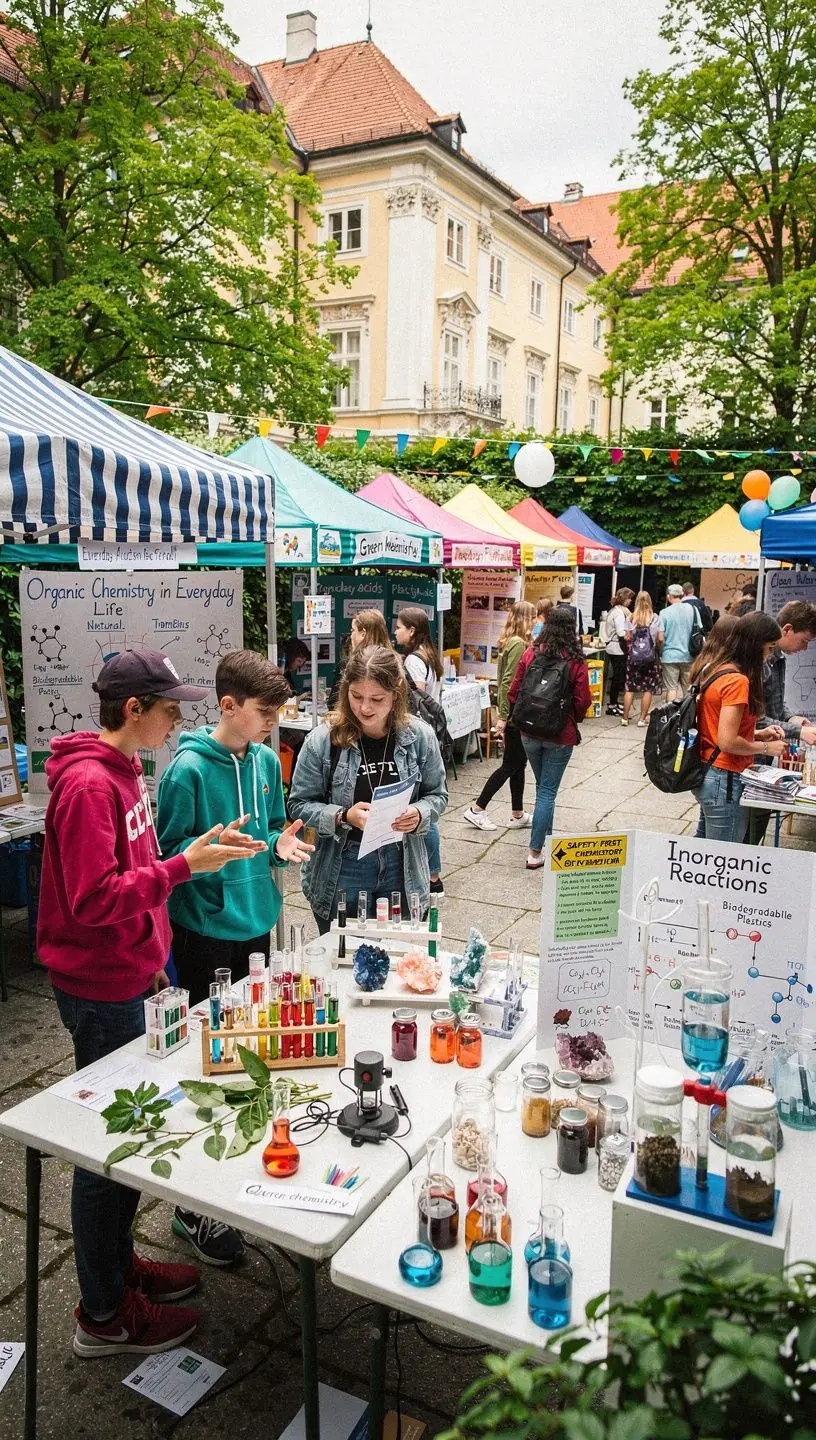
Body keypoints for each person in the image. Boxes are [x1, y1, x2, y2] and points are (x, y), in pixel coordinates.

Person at [40, 648, 255, 1358]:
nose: (177, 718)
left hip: (132, 978)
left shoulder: (125, 774)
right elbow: (94, 899)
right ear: (132, 710)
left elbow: (136, 878)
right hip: (101, 990)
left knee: (134, 1138)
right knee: (108, 1148)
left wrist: (158, 963)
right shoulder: (87, 789)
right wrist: (182, 866)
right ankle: (103, 1314)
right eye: (168, 708)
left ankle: (119, 1267)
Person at [156, 650, 312, 1266]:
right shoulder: (188, 771)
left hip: (258, 924)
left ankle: (232, 1175)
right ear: (228, 706)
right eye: (265, 712)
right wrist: (207, 855)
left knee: (251, 1048)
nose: (274, 721)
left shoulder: (269, 761)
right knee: (207, 1061)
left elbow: (272, 827)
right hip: (203, 932)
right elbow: (169, 857)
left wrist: (282, 843)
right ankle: (191, 1206)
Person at [289, 645, 448, 931]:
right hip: (344, 864)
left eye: (377, 699)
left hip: (402, 863)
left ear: (397, 691)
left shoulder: (419, 736)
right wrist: (342, 816)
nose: (364, 708)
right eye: (356, 696)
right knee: (341, 957)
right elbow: (299, 805)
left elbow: (438, 795)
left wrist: (420, 813)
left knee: (398, 959)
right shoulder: (323, 740)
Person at [507, 606, 592, 870]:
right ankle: (534, 852)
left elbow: (514, 691)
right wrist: (572, 719)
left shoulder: (531, 652)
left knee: (544, 787)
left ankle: (549, 840)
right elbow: (583, 700)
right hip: (559, 734)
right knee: (547, 791)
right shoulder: (576, 660)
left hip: (529, 732)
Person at [691, 611, 785, 843]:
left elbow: (717, 726)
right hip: (725, 777)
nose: (770, 654)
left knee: (703, 850)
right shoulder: (737, 681)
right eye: (770, 647)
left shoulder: (716, 668)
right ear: (755, 645)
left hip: (709, 770)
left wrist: (756, 733)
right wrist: (765, 748)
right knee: (724, 859)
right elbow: (727, 741)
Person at [745, 600, 816, 844]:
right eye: (804, 640)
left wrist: (792, 717)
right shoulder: (761, 660)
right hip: (750, 757)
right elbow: (757, 717)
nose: (805, 648)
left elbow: (773, 705)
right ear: (786, 630)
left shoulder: (779, 659)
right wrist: (798, 731)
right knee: (746, 829)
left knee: (756, 827)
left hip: (764, 757)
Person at [463, 600, 534, 831]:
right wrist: (503, 716)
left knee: (518, 764)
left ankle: (517, 813)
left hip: (513, 713)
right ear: (526, 619)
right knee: (510, 764)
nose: (535, 622)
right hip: (514, 714)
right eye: (533, 617)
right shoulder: (518, 644)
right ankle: (477, 809)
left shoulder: (513, 642)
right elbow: (508, 682)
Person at [394, 607, 445, 896]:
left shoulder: (414, 660)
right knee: (425, 807)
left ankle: (433, 874)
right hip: (431, 734)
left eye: (400, 627)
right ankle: (433, 873)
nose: (397, 632)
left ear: (412, 630)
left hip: (419, 735)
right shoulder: (429, 652)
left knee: (422, 810)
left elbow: (415, 699)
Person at [328, 609, 391, 710]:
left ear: (363, 634)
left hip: (353, 724)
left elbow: (334, 704)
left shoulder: (350, 666)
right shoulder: (395, 662)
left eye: (353, 630)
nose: (351, 635)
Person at [622, 590, 662, 726]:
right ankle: (642, 719)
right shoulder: (656, 618)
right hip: (651, 657)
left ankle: (625, 718)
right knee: (648, 688)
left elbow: (627, 637)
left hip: (633, 657)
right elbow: (661, 639)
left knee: (630, 687)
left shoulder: (630, 618)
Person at [657, 583, 697, 699]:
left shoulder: (664, 613)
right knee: (688, 690)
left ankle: (671, 716)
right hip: (689, 655)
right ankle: (687, 715)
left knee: (671, 688)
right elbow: (699, 629)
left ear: (669, 596)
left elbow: (660, 638)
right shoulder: (693, 610)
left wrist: (661, 650)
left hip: (669, 656)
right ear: (682, 595)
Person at [602, 588, 634, 716]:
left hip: (614, 647)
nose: (631, 601)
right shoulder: (619, 614)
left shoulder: (616, 611)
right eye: (629, 598)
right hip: (617, 648)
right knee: (618, 677)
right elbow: (621, 632)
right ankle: (612, 705)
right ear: (625, 599)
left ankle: (614, 703)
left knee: (617, 677)